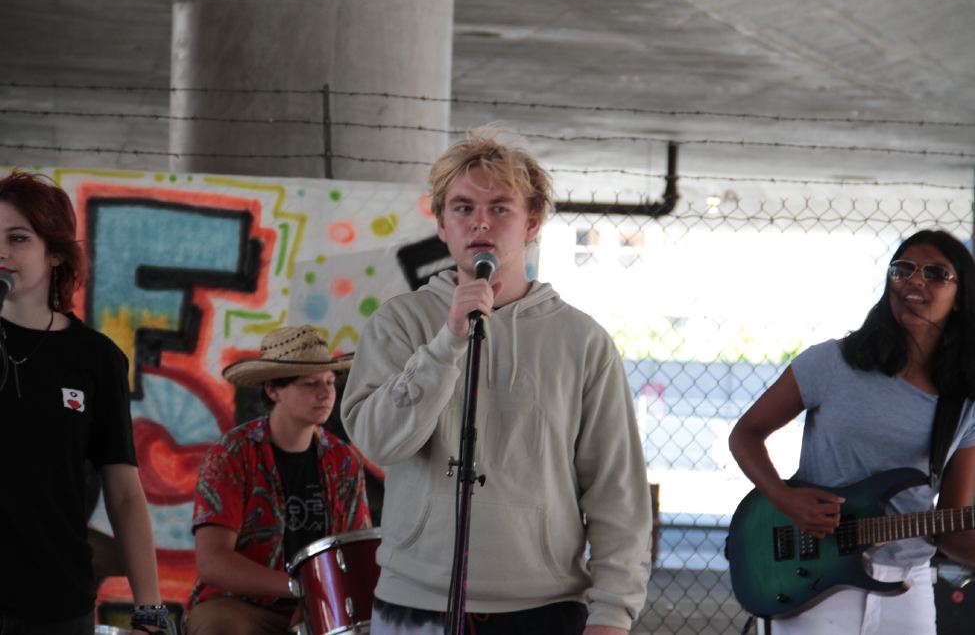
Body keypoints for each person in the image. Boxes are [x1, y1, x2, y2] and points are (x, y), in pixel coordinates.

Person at [342, 128, 653, 635]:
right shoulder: (399, 323)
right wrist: (447, 343)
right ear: (441, 224)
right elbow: (378, 441)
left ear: (532, 222)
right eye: (462, 208)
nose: (480, 221)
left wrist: (613, 613)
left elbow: (616, 490)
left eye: (500, 208)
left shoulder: (582, 340)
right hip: (413, 604)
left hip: (544, 609)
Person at [728, 229, 975, 634]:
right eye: (903, 269)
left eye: (935, 273)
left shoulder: (963, 401)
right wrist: (784, 498)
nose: (914, 280)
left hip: (907, 584)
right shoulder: (833, 362)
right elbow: (746, 434)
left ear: (961, 296)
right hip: (814, 576)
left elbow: (952, 527)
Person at [0, 171, 165, 634]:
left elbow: (124, 492)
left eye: (17, 238)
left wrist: (150, 609)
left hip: (54, 600)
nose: (1, 252)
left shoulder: (95, 359)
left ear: (55, 253)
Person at [187, 325, 372, 635]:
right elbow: (213, 562)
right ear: (273, 390)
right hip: (240, 605)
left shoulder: (344, 461)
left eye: (330, 381)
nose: (326, 393)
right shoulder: (232, 454)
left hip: (322, 606)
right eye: (310, 383)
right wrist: (300, 588)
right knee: (219, 625)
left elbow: (355, 553)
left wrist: (315, 600)